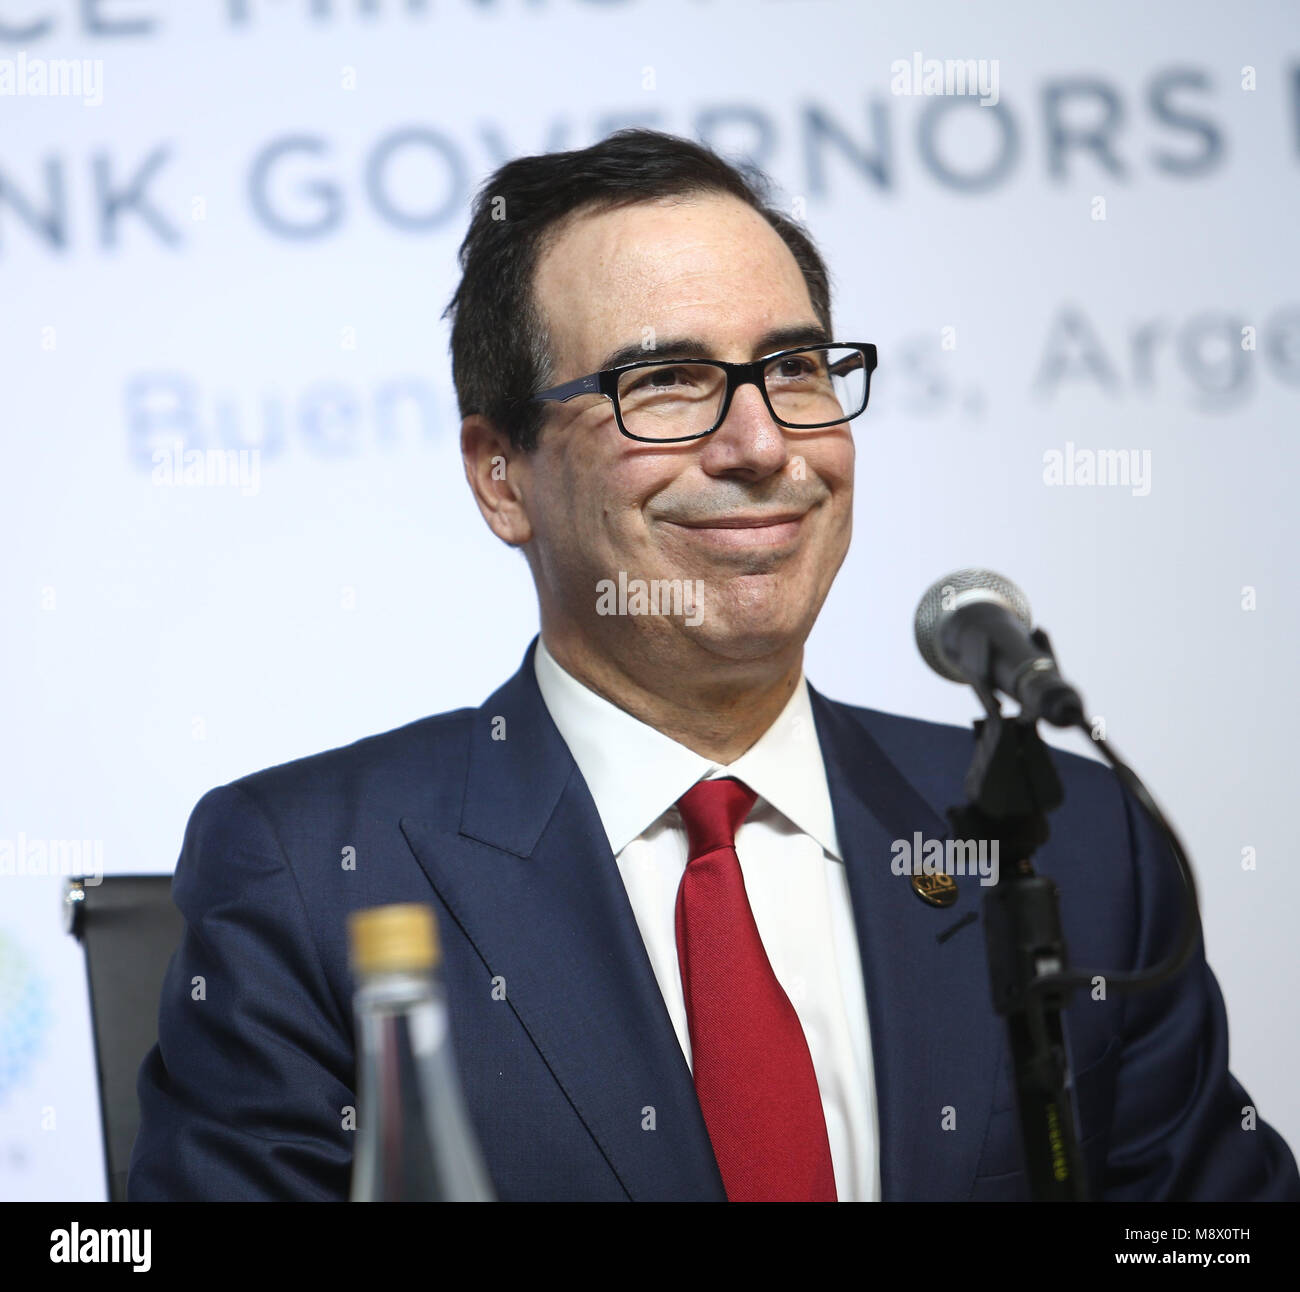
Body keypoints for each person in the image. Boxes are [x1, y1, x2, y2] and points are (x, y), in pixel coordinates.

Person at [128, 129, 1299, 1202]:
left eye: (793, 368)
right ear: (500, 475)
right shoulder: (311, 874)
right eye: (666, 382)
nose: (761, 445)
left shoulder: (1070, 843)